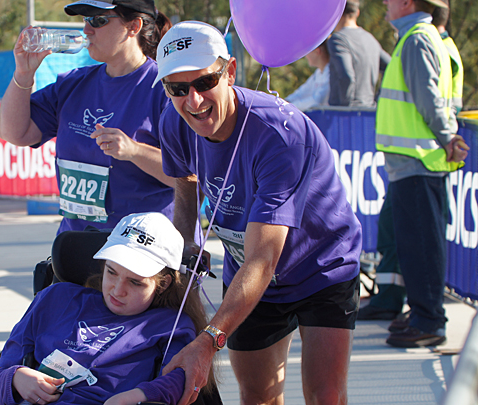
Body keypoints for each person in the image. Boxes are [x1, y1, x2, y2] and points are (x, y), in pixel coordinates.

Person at [154, 21, 363, 405]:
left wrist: (210, 340)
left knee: (325, 396)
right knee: (257, 397)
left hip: (320, 266)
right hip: (247, 274)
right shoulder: (174, 120)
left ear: (229, 71)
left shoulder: (280, 135)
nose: (193, 101)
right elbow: (185, 186)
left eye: (203, 83)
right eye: (178, 89)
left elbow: (264, 259)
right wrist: (185, 253)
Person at [0, 212, 213, 405]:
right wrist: (17, 378)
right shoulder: (54, 299)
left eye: (135, 282)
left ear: (162, 284)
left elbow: (181, 379)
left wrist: (136, 397)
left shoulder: (171, 325)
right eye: (111, 272)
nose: (118, 290)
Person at [0, 0, 175, 234]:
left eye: (98, 21)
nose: (87, 31)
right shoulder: (72, 84)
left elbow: (191, 178)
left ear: (134, 26)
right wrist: (23, 73)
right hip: (77, 247)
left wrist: (135, 151)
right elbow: (15, 133)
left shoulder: (167, 89)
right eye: (85, 20)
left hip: (139, 253)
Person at [373, 0, 469, 348]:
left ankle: (429, 321)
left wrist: (447, 138)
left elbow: (427, 96)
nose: (385, 4)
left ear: (407, 2)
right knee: (415, 244)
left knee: (422, 245)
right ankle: (423, 315)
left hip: (419, 160)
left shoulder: (417, 38)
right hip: (413, 161)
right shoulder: (416, 36)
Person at [328, 0, 391, 107]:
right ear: (357, 13)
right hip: (368, 109)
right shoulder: (370, 39)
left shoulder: (338, 39)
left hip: (344, 113)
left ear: (336, 14)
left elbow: (346, 76)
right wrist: (378, 98)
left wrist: (344, 107)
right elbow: (390, 66)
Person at [285, 40, 331, 111]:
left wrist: (288, 107)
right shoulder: (318, 73)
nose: (305, 56)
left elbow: (317, 100)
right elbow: (302, 92)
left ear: (317, 51)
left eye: (307, 52)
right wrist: (284, 102)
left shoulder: (331, 73)